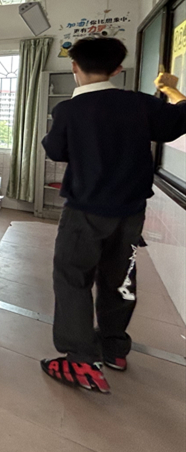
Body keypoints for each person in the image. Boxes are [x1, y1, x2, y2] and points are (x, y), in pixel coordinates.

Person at [39, 37, 186, 393]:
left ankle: (80, 360)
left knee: (73, 279)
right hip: (131, 214)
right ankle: (114, 348)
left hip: (84, 213)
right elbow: (177, 122)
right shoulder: (141, 103)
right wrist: (172, 91)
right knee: (120, 280)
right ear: (118, 69)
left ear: (74, 66)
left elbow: (55, 150)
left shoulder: (69, 110)